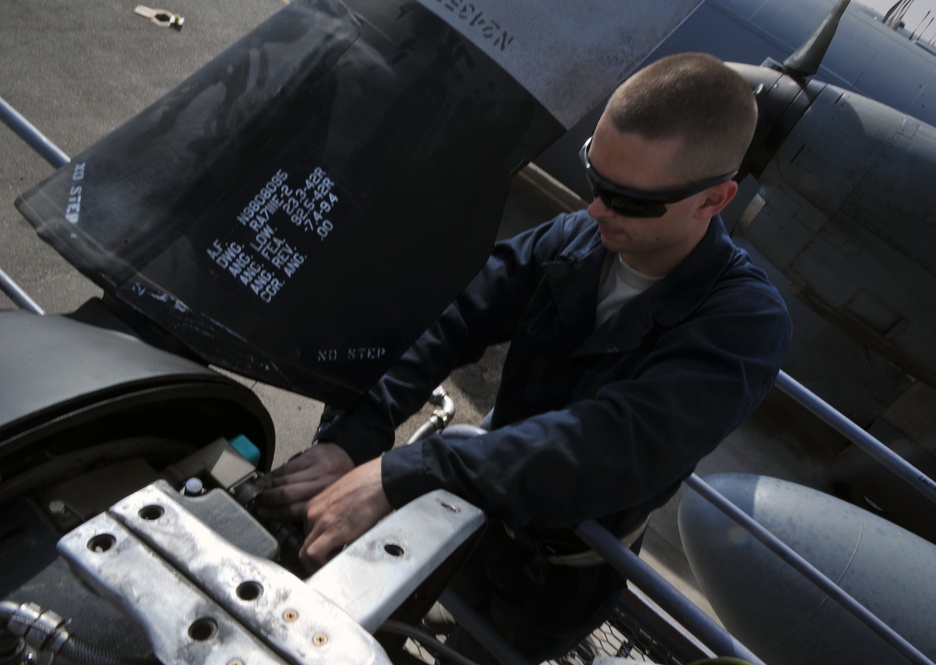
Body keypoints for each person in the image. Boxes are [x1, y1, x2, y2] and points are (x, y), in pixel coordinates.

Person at [256, 52, 792, 662]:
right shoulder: (577, 237)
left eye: (630, 202)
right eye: (596, 178)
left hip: (555, 579)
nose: (596, 211)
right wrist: (358, 434)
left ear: (713, 201)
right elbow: (451, 317)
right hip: (470, 514)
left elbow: (606, 446)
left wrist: (409, 470)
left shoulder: (744, 324)